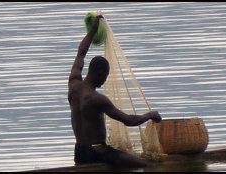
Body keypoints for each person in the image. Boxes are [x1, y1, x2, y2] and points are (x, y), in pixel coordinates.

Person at [68, 14, 162, 168]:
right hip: (98, 152)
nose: (105, 80)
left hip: (79, 152)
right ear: (99, 73)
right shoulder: (97, 99)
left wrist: (93, 30)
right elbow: (128, 120)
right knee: (148, 166)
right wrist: (150, 115)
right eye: (105, 76)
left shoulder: (73, 84)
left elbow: (81, 52)